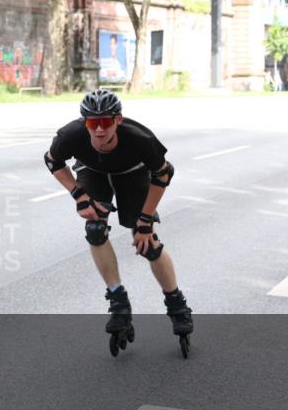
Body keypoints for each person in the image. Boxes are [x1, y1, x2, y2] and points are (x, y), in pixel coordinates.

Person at [42, 89, 194, 357]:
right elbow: (52, 161)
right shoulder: (71, 135)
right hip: (93, 172)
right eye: (92, 123)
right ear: (84, 122)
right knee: (95, 229)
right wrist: (79, 195)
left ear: (118, 120)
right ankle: (118, 299)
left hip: (133, 173)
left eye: (106, 122)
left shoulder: (140, 139)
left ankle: (176, 303)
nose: (99, 130)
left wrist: (145, 220)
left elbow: (164, 174)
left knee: (147, 242)